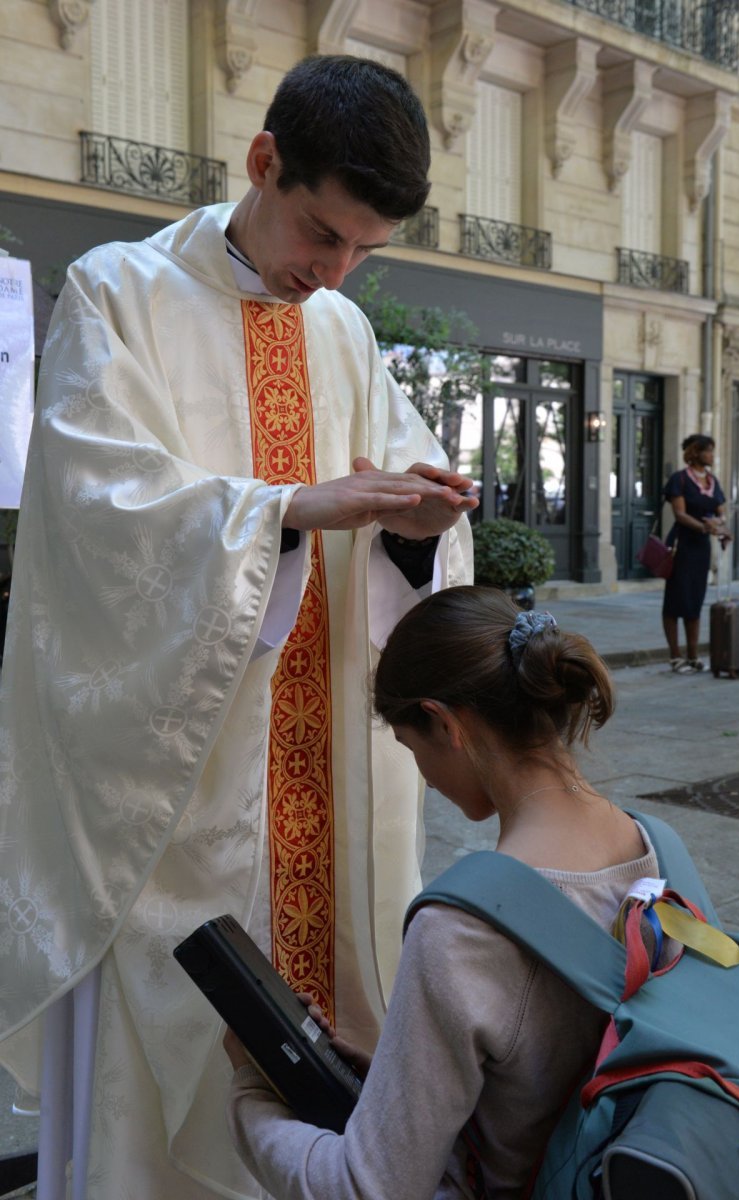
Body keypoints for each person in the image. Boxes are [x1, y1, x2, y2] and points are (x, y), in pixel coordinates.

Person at [0, 55, 474, 1199]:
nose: (337, 271)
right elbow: (94, 515)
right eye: (323, 233)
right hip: (186, 794)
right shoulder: (119, 292)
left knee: (321, 1057)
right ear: (263, 161)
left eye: (365, 250)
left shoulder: (344, 336)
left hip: (332, 783)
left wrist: (415, 524)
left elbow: (400, 540)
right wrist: (282, 515)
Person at [224, 585, 674, 1199]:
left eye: (412, 748)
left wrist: (253, 1091)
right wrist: (397, 1078)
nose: (425, 779)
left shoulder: (464, 930)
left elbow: (365, 1188)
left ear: (443, 722)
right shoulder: (658, 850)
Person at [661, 434, 732, 674]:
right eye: (708, 451)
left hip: (701, 547)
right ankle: (675, 656)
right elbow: (679, 514)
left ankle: (693, 655)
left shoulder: (712, 481)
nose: (712, 455)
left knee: (695, 600)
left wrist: (720, 525)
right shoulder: (680, 480)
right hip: (681, 546)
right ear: (695, 453)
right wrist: (705, 526)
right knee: (675, 601)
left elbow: (721, 510)